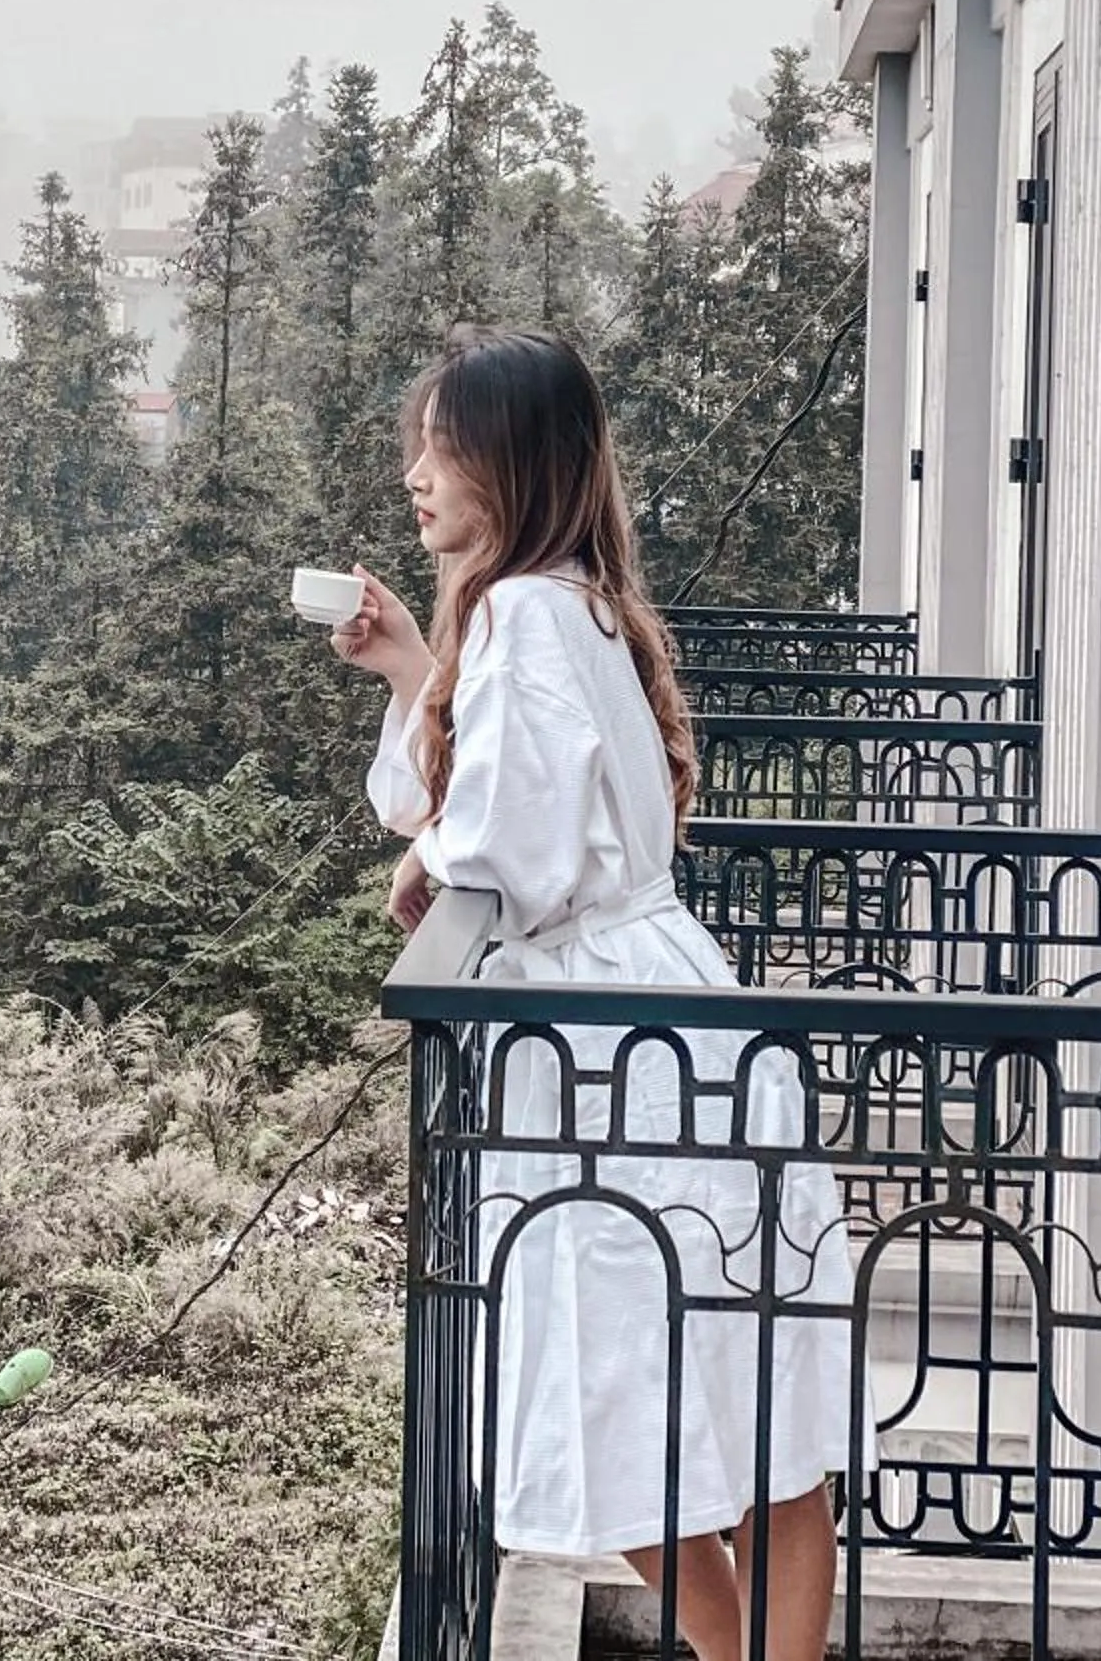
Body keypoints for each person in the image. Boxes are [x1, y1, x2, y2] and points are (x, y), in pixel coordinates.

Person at [331, 325, 859, 1661]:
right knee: (757, 1389)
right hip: (679, 1012)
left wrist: (433, 856)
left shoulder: (521, 613)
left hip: (603, 1049)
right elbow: (493, 791)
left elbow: (500, 839)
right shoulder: (574, 606)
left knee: (621, 1398)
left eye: (442, 445)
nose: (416, 474)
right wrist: (410, 669)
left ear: (510, 461)